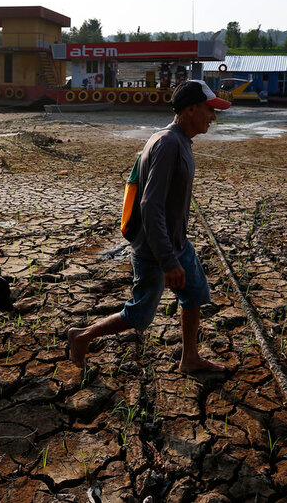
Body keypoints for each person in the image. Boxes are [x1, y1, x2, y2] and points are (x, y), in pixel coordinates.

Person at [68, 80, 231, 373]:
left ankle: (190, 358)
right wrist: (168, 261)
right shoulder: (168, 143)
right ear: (190, 108)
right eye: (209, 110)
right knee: (139, 314)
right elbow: (150, 205)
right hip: (156, 251)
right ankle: (82, 336)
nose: (213, 117)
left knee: (194, 294)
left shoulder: (178, 140)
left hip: (176, 243)